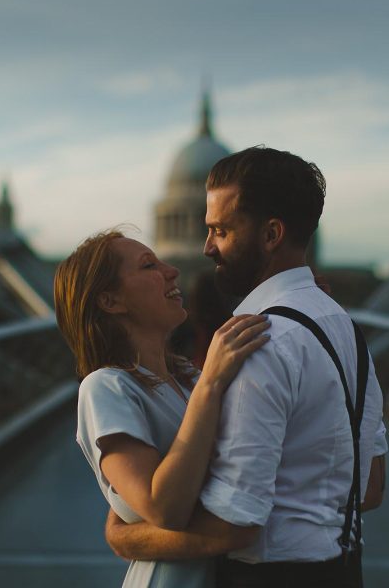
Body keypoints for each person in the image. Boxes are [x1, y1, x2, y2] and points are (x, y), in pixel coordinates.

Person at [104, 147, 388, 587]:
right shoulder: (345, 328)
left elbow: (235, 525)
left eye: (220, 229)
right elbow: (369, 487)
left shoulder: (257, 343)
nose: (207, 247)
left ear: (271, 233)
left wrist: (126, 538)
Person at [53, 230, 272, 587]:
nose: (172, 270)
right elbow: (162, 506)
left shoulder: (186, 379)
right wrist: (213, 383)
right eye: (148, 265)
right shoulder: (105, 386)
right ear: (111, 301)